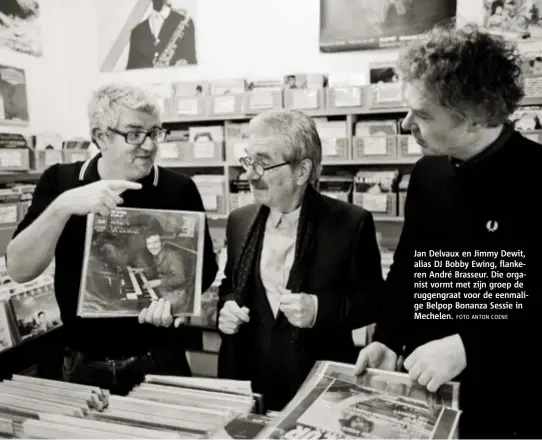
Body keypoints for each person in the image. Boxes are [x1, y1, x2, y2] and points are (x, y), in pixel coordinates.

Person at [354, 24, 541, 438]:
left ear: (473, 118)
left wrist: (470, 346)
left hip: (510, 405)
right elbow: (410, 270)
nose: (405, 124)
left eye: (421, 114)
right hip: (426, 396)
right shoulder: (428, 172)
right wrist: (388, 338)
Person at [6, 83, 218, 395]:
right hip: (81, 363)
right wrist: (64, 206)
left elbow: (205, 270)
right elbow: (20, 269)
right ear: (101, 136)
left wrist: (175, 304)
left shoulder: (179, 188)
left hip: (158, 358)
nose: (148, 145)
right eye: (134, 134)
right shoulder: (61, 181)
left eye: (154, 133)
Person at [217, 108, 384, 411]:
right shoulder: (239, 220)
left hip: (317, 386)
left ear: (301, 171)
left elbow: (373, 301)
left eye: (263, 163)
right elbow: (229, 285)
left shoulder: (349, 223)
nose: (249, 174)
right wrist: (226, 307)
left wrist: (320, 310)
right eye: (248, 160)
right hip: (249, 381)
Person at [126, 0, 197, 69]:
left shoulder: (185, 23)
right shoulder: (137, 32)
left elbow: (192, 65)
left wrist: (183, 66)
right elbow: (130, 73)